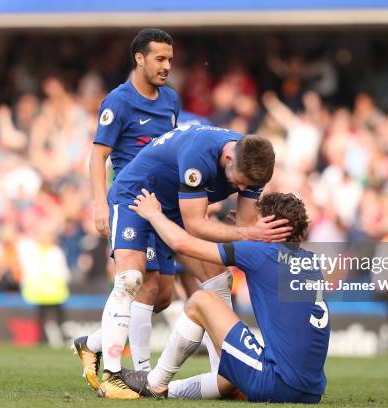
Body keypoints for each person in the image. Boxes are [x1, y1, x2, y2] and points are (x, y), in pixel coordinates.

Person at [97, 124, 289, 399]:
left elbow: (244, 227)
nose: (243, 188)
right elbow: (198, 225)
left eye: (248, 185)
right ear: (228, 158)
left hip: (176, 208)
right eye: (240, 182)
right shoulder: (199, 155)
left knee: (218, 279)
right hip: (137, 198)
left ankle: (226, 376)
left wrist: (251, 232)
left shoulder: (254, 164)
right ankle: (113, 377)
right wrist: (247, 232)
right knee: (132, 280)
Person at [121, 190, 329, 403]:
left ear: (269, 225)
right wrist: (239, 230)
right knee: (228, 378)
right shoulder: (310, 262)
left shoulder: (262, 253)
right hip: (311, 391)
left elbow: (182, 245)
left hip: (278, 384)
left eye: (255, 220)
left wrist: (154, 215)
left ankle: (155, 382)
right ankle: (168, 390)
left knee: (203, 300)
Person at [73, 28, 181, 392]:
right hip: (129, 201)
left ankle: (91, 344)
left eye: (169, 58)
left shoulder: (171, 101)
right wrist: (99, 203)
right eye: (159, 59)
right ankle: (133, 375)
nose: (167, 65)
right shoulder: (117, 102)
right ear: (139, 58)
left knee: (162, 294)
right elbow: (98, 157)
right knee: (135, 283)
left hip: (162, 205)